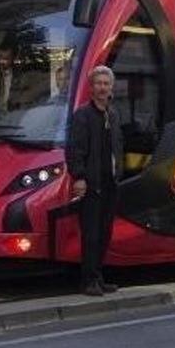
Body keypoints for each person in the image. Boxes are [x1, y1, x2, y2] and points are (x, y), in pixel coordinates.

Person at [67, 65, 123, 296]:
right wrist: (79, 177)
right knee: (91, 234)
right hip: (91, 184)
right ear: (91, 88)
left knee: (104, 233)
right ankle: (88, 281)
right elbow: (75, 150)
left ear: (111, 87)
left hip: (110, 183)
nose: (102, 88)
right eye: (98, 83)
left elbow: (118, 145)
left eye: (106, 84)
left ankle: (98, 278)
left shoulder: (113, 113)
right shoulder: (83, 115)